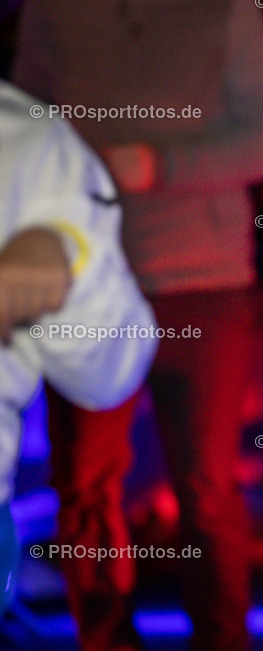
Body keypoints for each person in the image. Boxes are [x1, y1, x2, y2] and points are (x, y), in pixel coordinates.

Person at [12, 0, 263, 648]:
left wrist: (157, 166)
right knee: (83, 485)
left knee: (206, 488)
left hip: (205, 281)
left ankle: (223, 637)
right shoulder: (54, 1)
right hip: (86, 283)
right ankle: (105, 638)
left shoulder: (225, 0)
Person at [0, 79, 157, 612]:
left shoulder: (27, 140)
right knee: (87, 486)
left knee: (100, 481)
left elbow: (110, 371)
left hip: (184, 281)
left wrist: (66, 252)